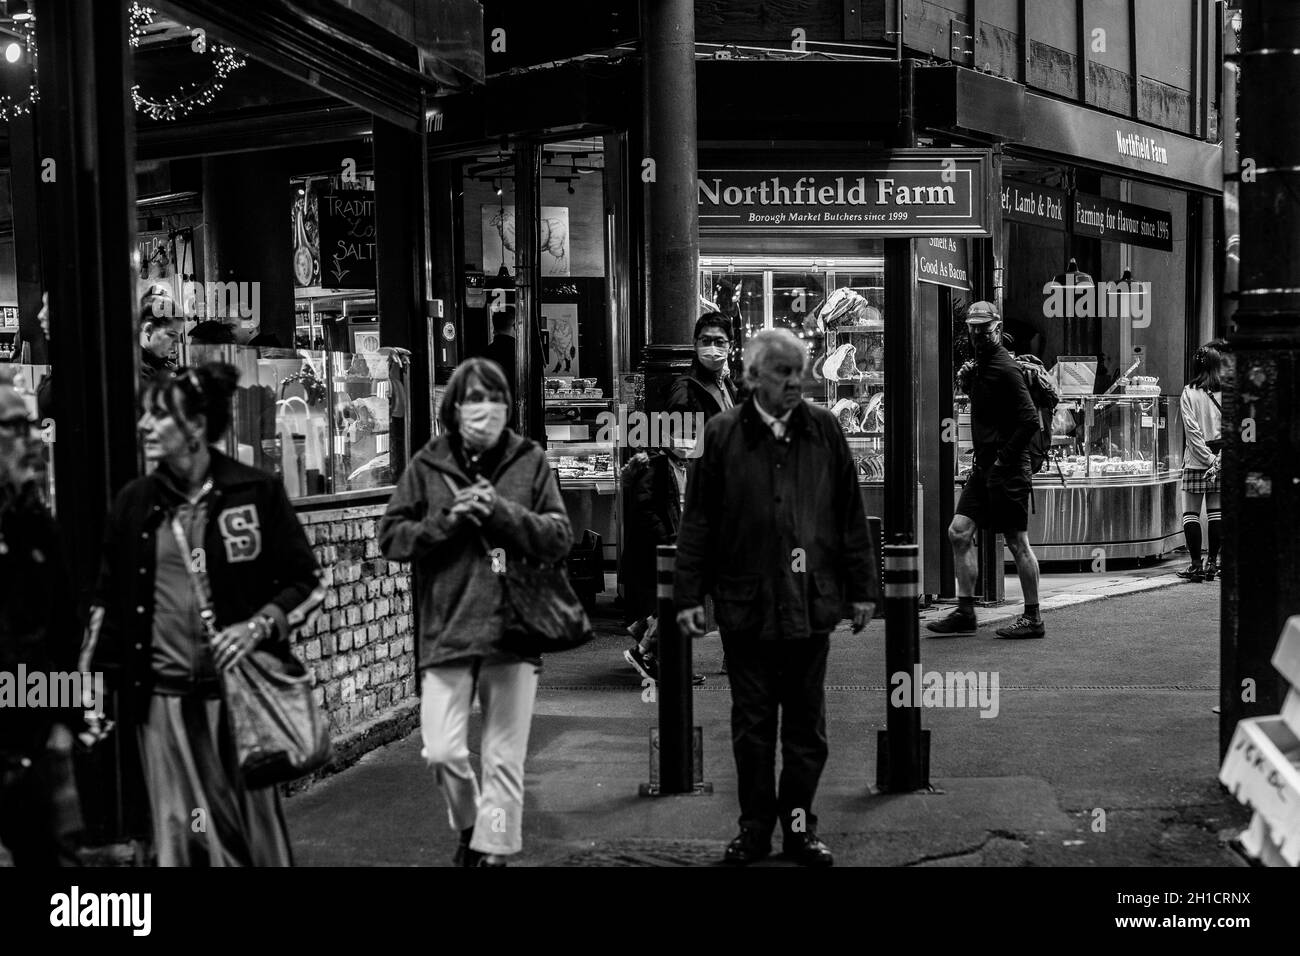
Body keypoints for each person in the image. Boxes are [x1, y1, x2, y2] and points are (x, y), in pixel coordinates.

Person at [84, 362, 325, 866]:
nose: (146, 427)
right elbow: (106, 604)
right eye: (144, 417)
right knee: (181, 837)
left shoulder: (254, 492)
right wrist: (89, 689)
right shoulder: (134, 504)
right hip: (163, 706)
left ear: (194, 426)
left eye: (159, 417)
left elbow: (309, 584)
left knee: (250, 837)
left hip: (238, 706)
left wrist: (259, 625)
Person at [674, 328, 880, 867]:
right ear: (753, 377)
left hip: (810, 606)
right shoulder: (721, 435)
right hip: (747, 607)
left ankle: (799, 829)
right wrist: (689, 595)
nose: (794, 382)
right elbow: (697, 523)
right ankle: (753, 830)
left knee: (807, 730)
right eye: (782, 372)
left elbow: (849, 515)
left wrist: (863, 590)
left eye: (799, 371)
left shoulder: (825, 430)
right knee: (753, 728)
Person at [379, 357, 572, 867]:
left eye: (496, 399)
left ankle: (494, 849)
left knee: (504, 757)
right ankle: (469, 826)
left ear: (508, 407)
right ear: (455, 407)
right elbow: (393, 539)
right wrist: (448, 520)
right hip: (448, 626)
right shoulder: (428, 463)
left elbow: (559, 537)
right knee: (441, 751)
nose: (485, 409)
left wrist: (501, 512)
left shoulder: (530, 461)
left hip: (513, 627)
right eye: (474, 399)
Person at [929, 301, 1045, 640]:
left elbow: (1028, 421)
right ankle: (966, 611)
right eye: (974, 327)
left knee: (1016, 541)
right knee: (959, 531)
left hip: (1007, 468)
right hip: (984, 469)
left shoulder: (1005, 368)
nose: (979, 333)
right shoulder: (978, 367)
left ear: (997, 328)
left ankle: (1033, 618)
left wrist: (1001, 461)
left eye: (985, 327)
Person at [0, 385, 81, 866]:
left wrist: (63, 721)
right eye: (14, 426)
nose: (29, 439)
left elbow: (63, 632)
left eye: (31, 425)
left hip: (29, 726)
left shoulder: (36, 524)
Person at [619, 434, 703, 686]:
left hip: (674, 547)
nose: (687, 444)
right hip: (660, 551)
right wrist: (667, 538)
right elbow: (645, 508)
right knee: (675, 605)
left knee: (671, 604)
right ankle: (644, 651)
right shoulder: (657, 466)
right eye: (682, 438)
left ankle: (644, 636)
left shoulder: (682, 467)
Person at [1176, 341, 1225, 582]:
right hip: (1220, 456)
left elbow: (1192, 432)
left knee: (1191, 513)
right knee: (1216, 512)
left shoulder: (1188, 392)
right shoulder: (1227, 392)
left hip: (1196, 458)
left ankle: (1195, 565)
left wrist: (1205, 459)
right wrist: (1216, 462)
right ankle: (1213, 564)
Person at [139, 304, 180, 386]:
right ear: (149, 330)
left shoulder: (162, 365)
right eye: (171, 335)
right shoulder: (140, 372)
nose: (177, 343)